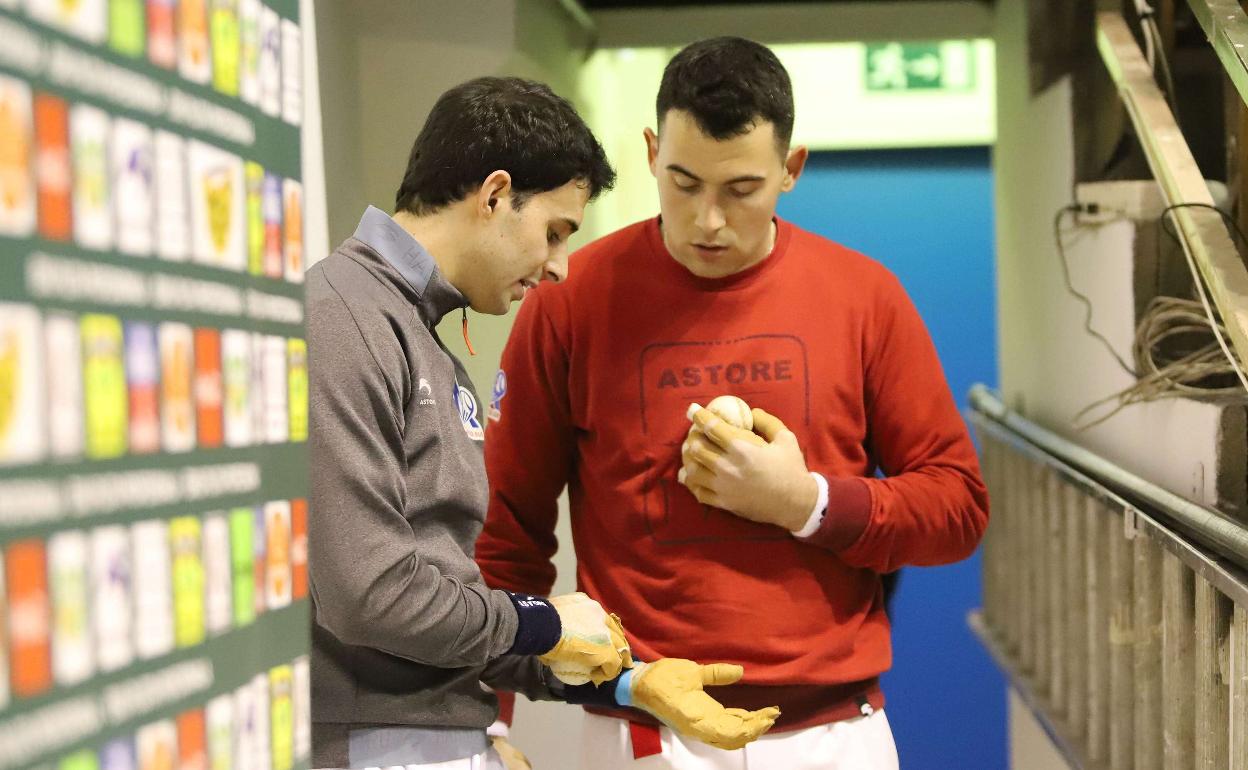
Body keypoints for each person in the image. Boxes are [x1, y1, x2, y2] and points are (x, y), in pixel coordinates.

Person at [476, 39, 990, 769]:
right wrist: (484, 724)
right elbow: (506, 535)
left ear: (792, 168)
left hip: (834, 731)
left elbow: (958, 508)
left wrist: (804, 502)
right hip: (644, 727)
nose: (707, 220)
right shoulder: (570, 302)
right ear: (652, 152)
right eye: (683, 183)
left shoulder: (865, 299)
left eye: (740, 190)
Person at [307, 76, 777, 770]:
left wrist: (626, 680)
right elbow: (368, 596)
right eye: (554, 232)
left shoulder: (413, 326)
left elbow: (443, 598)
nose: (558, 266)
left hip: (435, 736)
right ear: (495, 196)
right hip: (379, 742)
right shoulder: (340, 317)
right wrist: (544, 623)